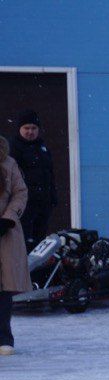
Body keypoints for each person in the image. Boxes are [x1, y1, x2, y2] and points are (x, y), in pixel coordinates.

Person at [0, 137, 32, 356]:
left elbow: (21, 193)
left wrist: (8, 218)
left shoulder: (9, 164)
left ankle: (4, 338)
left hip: (5, 231)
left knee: (3, 288)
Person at [8, 110, 56, 249]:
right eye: (27, 128)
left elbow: (49, 174)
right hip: (25, 206)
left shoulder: (42, 148)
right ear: (20, 129)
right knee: (23, 243)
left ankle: (37, 270)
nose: (30, 131)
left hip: (43, 205)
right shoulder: (14, 149)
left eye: (34, 128)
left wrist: (52, 197)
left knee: (39, 244)